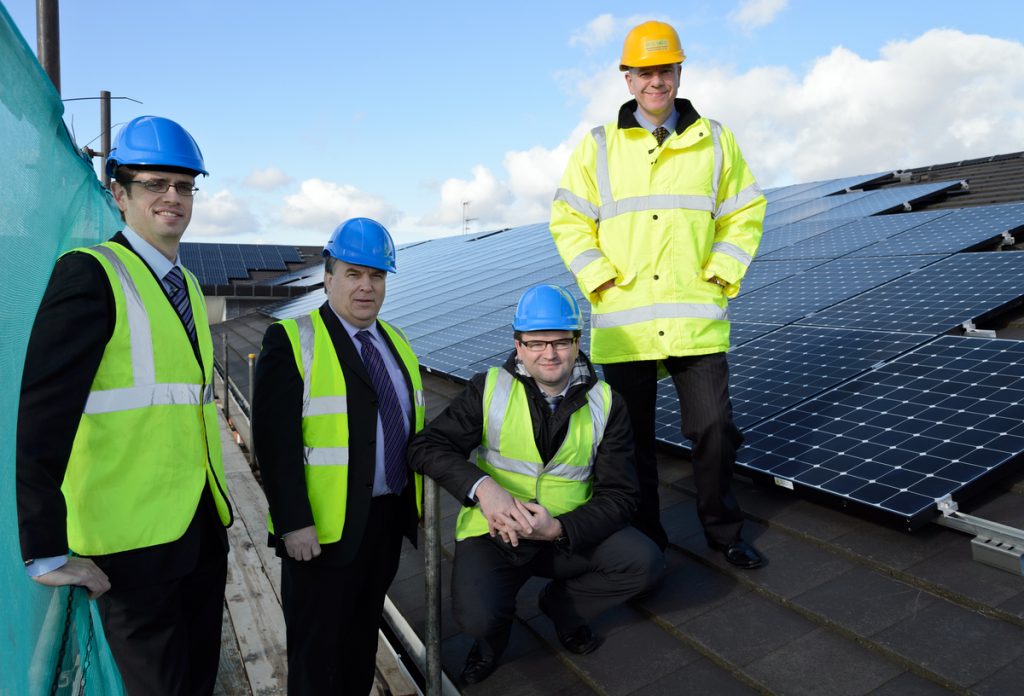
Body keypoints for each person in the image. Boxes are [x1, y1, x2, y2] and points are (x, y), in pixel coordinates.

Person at [16, 115, 233, 695]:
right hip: (129, 552)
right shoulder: (90, 275)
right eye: (155, 184)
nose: (172, 198)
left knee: (196, 683)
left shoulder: (186, 286)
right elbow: (42, 416)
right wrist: (43, 551)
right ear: (119, 193)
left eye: (185, 186)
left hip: (199, 531)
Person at [549, 21, 768, 569]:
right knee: (631, 442)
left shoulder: (715, 139)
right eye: (644, 71)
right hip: (625, 321)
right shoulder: (598, 146)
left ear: (678, 72)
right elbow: (569, 218)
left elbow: (744, 211)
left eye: (664, 69)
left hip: (695, 319)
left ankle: (723, 530)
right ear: (628, 79)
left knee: (714, 428)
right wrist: (598, 278)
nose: (655, 81)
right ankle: (648, 535)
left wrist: (721, 273)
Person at [409, 284, 664, 685]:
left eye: (561, 341)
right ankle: (490, 643)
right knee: (478, 617)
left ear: (577, 343)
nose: (549, 353)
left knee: (643, 562)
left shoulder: (607, 402)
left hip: (564, 534)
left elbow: (621, 495)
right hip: (495, 532)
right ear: (518, 345)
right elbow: (427, 446)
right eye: (536, 342)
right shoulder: (488, 388)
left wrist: (561, 528)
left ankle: (563, 608)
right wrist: (483, 489)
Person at [253, 217, 424, 696]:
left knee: (359, 644)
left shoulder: (398, 343)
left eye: (377, 276)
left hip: (385, 523)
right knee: (315, 653)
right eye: (353, 273)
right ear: (328, 277)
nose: (366, 287)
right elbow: (273, 441)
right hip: (321, 533)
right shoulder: (292, 340)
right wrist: (293, 522)